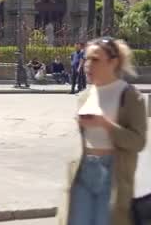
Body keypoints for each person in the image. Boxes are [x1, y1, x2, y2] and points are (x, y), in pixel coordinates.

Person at [61, 37, 147, 225]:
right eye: (86, 58)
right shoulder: (84, 96)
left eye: (95, 59)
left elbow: (138, 142)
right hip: (83, 169)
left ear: (113, 61)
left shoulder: (130, 96)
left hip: (112, 172)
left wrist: (105, 124)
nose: (87, 65)